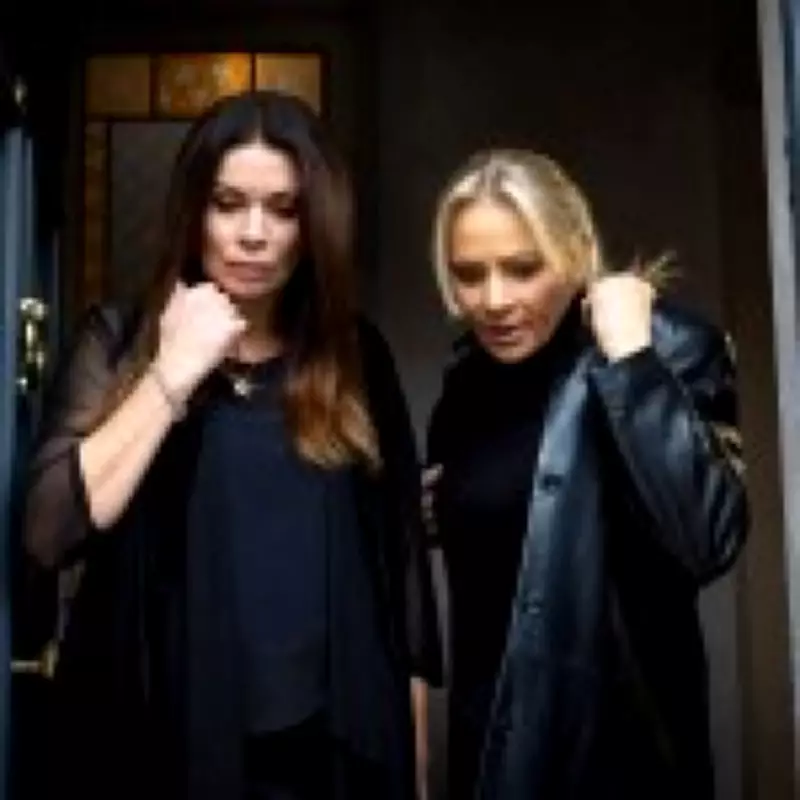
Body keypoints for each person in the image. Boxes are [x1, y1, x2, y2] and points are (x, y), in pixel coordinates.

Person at [23, 89, 441, 800]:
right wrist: (172, 373)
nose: (254, 234)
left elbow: (400, 591)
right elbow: (48, 531)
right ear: (194, 212)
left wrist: (416, 771)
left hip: (325, 755)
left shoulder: (354, 355)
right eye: (228, 204)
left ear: (313, 224)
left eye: (283, 209)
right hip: (158, 750)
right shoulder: (119, 340)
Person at [423, 148, 748, 799]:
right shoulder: (465, 388)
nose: (494, 300)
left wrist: (631, 362)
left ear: (576, 250)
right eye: (469, 274)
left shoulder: (669, 348)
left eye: (523, 269)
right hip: (494, 753)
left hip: (623, 763)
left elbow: (707, 539)